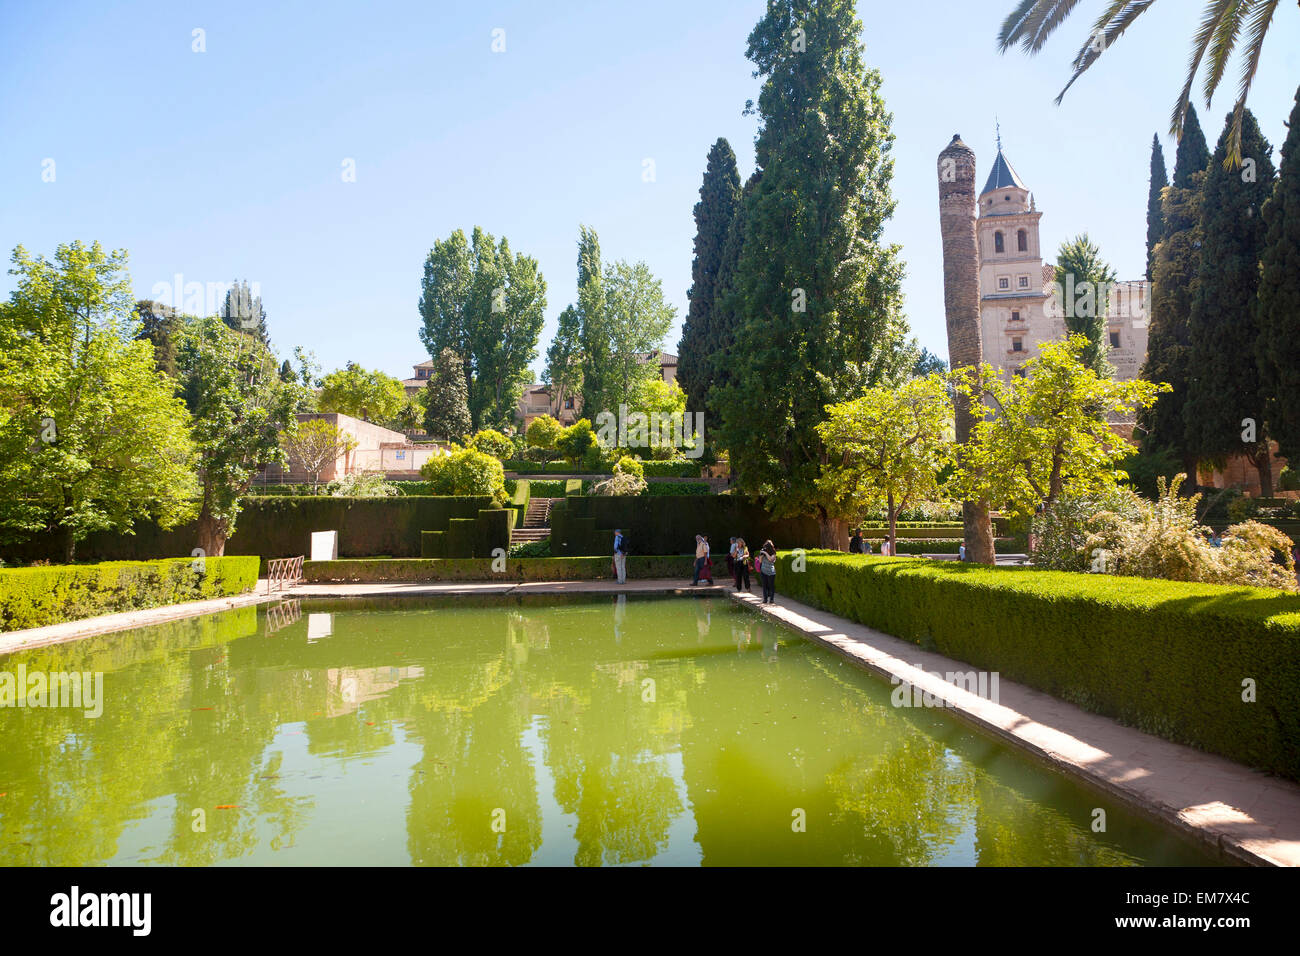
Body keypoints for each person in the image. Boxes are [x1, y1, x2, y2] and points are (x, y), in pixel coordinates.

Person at [758, 540, 777, 604]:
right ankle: (765, 599)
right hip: (763, 571)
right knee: (764, 586)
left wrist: (766, 553)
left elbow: (771, 559)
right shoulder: (763, 552)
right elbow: (760, 561)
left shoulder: (773, 553)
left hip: (771, 572)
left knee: (771, 586)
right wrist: (761, 554)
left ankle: (771, 599)